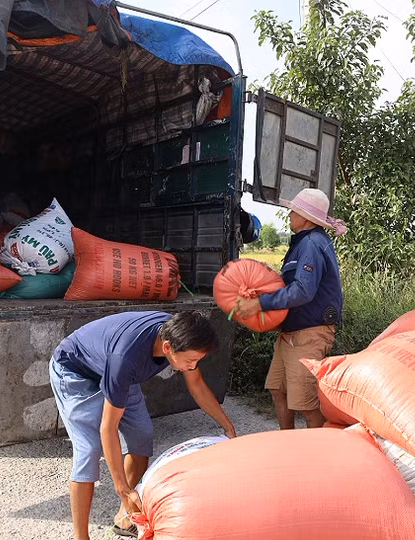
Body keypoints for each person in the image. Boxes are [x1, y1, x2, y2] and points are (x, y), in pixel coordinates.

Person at [49, 310, 237, 540]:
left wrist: (227, 426)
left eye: (197, 361)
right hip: (75, 370)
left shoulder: (182, 333)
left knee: (142, 434)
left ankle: (124, 518)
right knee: (88, 450)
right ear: (167, 348)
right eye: (190, 361)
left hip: (114, 370)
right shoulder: (127, 359)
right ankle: (81, 537)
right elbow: (108, 428)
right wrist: (122, 488)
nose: (192, 366)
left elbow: (196, 384)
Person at [235, 188, 346, 429]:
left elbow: (302, 291)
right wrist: (263, 283)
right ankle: (288, 444)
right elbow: (291, 283)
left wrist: (258, 304)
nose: (289, 215)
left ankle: (317, 459)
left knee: (307, 405)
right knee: (278, 390)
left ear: (306, 217)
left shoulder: (312, 244)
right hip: (291, 335)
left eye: (293, 211)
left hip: (308, 335)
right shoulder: (303, 243)